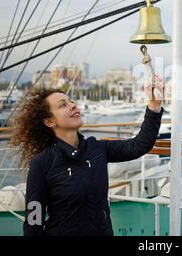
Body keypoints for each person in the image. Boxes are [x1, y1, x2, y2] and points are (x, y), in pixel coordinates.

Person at [10, 76, 164, 236]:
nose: (72, 105)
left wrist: (154, 107)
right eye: (63, 105)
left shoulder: (97, 148)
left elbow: (139, 145)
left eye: (70, 101)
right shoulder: (42, 163)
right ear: (50, 122)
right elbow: (34, 222)